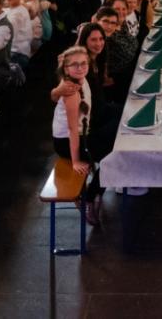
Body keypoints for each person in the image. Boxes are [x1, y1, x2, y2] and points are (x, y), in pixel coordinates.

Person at [51, 47, 108, 222]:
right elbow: (72, 130)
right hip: (67, 142)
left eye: (83, 63)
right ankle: (89, 198)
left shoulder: (80, 80)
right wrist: (76, 160)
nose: (80, 67)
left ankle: (93, 189)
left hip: (83, 135)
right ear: (66, 68)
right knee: (113, 159)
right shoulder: (71, 92)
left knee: (116, 141)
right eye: (74, 65)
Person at [2, 0, 35, 67]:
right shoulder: (13, 9)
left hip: (18, 55)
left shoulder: (18, 14)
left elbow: (5, 38)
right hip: (15, 52)